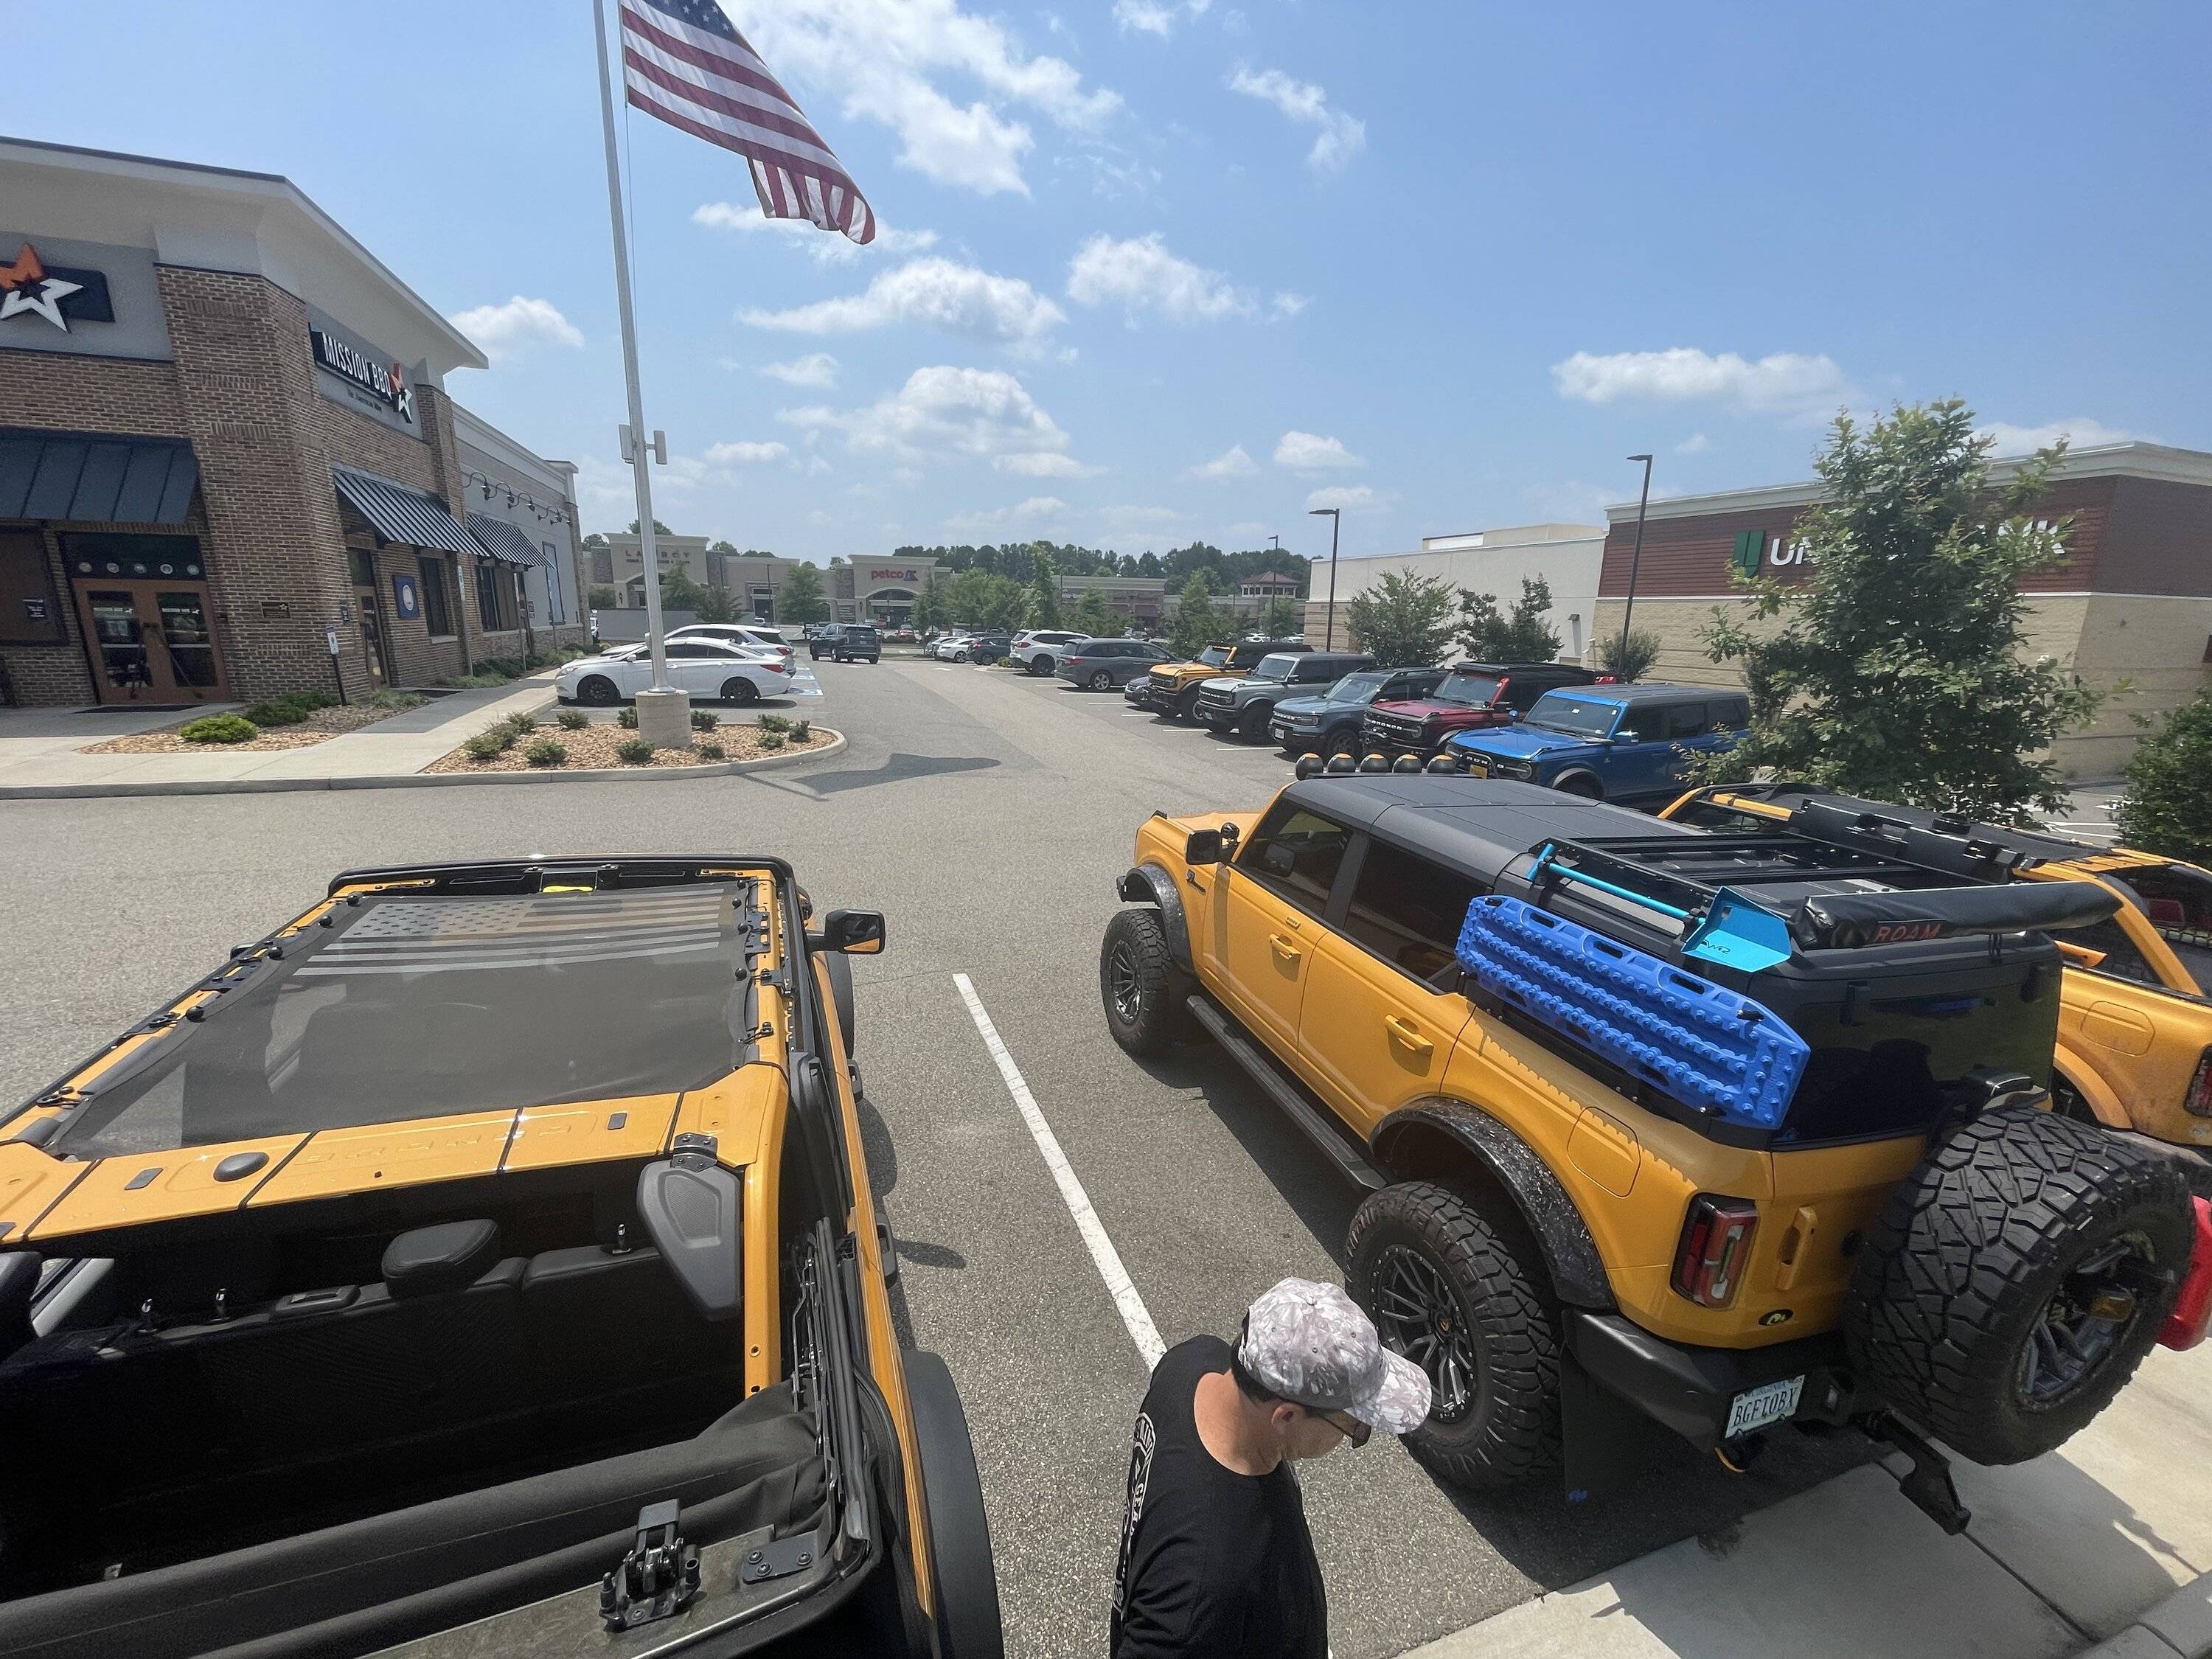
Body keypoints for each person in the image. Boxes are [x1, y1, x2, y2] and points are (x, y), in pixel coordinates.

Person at [1110, 1278, 1430, 1658]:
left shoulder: (1193, 1363)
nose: (1352, 1438)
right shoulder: (1202, 1590)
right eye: (1355, 1427)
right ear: (1286, 1416)